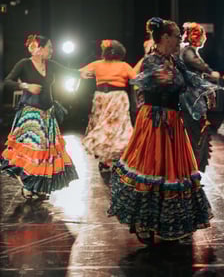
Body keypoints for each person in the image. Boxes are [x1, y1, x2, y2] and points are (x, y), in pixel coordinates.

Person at [107, 17, 217, 245]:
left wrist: (206, 90)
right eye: (177, 36)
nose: (180, 39)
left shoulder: (175, 61)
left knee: (175, 170)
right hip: (155, 121)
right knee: (152, 167)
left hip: (173, 121)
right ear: (165, 38)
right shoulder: (152, 62)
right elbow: (154, 81)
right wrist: (171, 78)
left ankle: (174, 222)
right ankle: (144, 221)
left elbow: (189, 80)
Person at [0, 34, 79, 199]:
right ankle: (28, 185)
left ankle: (34, 185)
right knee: (32, 151)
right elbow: (7, 81)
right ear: (39, 49)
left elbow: (69, 71)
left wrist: (85, 73)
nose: (52, 50)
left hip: (47, 114)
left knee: (43, 153)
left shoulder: (50, 65)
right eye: (49, 47)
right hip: (30, 114)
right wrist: (26, 85)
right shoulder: (25, 64)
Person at [79, 39, 136, 172]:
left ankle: (110, 159)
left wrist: (82, 74)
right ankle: (108, 160)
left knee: (111, 128)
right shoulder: (121, 65)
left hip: (112, 99)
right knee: (110, 128)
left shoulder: (118, 65)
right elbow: (82, 71)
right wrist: (82, 74)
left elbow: (135, 78)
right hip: (107, 99)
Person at [179, 22, 220, 172]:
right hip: (190, 96)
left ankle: (190, 165)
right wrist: (209, 70)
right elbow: (192, 61)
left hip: (191, 93)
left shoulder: (186, 50)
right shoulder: (188, 50)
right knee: (194, 129)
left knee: (195, 129)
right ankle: (190, 166)